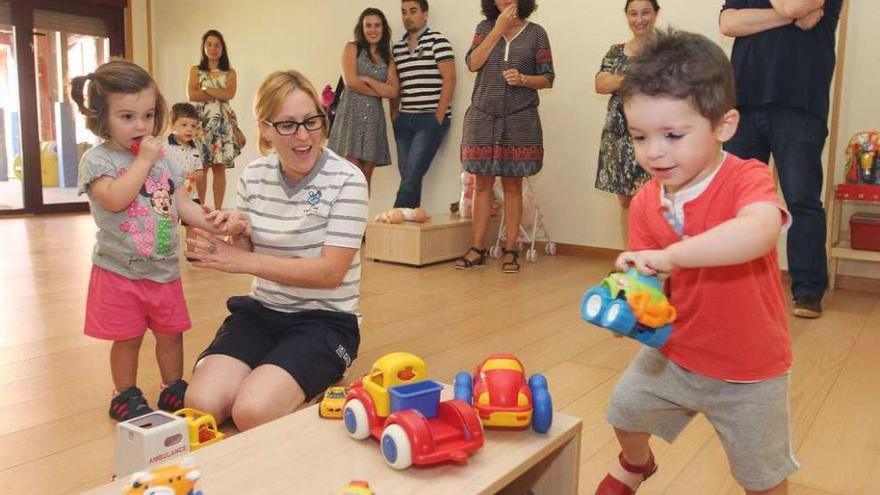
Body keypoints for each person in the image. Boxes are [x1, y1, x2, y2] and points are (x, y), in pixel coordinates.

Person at [595, 30, 796, 495]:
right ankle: (636, 463)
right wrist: (629, 303)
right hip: (676, 355)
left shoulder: (746, 177)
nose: (654, 151)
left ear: (723, 126)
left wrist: (669, 256)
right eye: (640, 136)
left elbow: (759, 230)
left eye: (673, 135)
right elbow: (654, 285)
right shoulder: (647, 200)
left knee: (761, 478)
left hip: (750, 369)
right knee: (623, 413)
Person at [184, 70, 368, 432]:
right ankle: (279, 370)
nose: (303, 136)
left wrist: (240, 260)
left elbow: (331, 273)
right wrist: (236, 228)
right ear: (265, 129)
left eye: (311, 121)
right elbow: (247, 249)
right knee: (202, 404)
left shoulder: (347, 180)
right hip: (263, 311)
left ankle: (323, 369)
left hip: (325, 321)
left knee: (252, 412)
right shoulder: (254, 175)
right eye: (287, 125)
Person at [71, 61, 248, 421]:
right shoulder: (98, 159)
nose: (140, 125)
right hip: (119, 270)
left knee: (171, 333)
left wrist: (214, 221)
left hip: (164, 268)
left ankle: (172, 386)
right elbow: (116, 198)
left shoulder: (163, 160)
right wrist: (144, 161)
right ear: (102, 118)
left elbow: (185, 205)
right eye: (127, 116)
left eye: (148, 115)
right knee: (128, 337)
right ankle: (124, 393)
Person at [720, 0, 843, 318]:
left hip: (800, 105)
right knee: (737, 201)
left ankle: (808, 290)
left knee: (801, 199)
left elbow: (794, 5)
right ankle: (734, 284)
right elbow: (728, 23)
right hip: (744, 103)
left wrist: (780, 15)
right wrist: (786, 18)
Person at [457, 0, 554, 274]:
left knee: (513, 186)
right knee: (481, 185)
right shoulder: (484, 28)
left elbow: (548, 78)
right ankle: (477, 248)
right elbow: (473, 62)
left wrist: (524, 79)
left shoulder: (536, 33)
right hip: (482, 116)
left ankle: (511, 249)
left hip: (520, 118)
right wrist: (497, 29)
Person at [594, 0, 659, 244]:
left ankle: (656, 261)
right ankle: (632, 258)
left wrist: (619, 80)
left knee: (654, 200)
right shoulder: (615, 51)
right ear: (627, 17)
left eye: (645, 12)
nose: (639, 19)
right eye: (633, 13)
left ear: (656, 14)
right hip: (618, 137)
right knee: (626, 201)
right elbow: (601, 84)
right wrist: (636, 76)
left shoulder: (667, 50)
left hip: (656, 137)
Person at [390, 0, 456, 208]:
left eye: (413, 11)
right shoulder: (398, 48)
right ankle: (411, 229)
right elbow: (396, 86)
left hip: (429, 118)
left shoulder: (438, 41)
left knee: (410, 178)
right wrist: (394, 115)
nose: (407, 16)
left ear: (424, 14)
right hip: (404, 120)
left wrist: (438, 115)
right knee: (409, 176)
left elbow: (450, 79)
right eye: (403, 12)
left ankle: (394, 221)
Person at [328, 8, 400, 190]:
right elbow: (351, 82)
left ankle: (361, 218)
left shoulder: (388, 58)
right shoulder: (352, 48)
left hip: (373, 121)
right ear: (362, 27)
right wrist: (380, 89)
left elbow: (393, 92)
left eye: (377, 25)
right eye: (368, 25)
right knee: (350, 175)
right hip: (351, 117)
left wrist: (367, 79)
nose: (372, 30)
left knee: (365, 180)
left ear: (383, 29)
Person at [187, 29, 241, 210]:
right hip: (201, 123)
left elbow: (229, 94)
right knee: (201, 168)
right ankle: (201, 208)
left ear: (222, 48)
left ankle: (218, 210)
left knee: (219, 168)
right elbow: (192, 95)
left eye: (217, 45)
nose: (213, 48)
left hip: (222, 124)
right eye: (209, 44)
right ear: (203, 47)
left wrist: (205, 88)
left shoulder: (230, 72)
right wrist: (217, 92)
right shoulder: (195, 70)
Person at [167, 102, 203, 249]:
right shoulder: (165, 147)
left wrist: (194, 175)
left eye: (193, 126)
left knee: (193, 224)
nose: (189, 129)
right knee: (169, 224)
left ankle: (191, 252)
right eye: (184, 125)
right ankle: (168, 250)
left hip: (191, 195)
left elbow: (200, 172)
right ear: (172, 126)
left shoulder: (194, 150)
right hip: (170, 196)